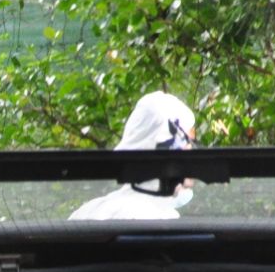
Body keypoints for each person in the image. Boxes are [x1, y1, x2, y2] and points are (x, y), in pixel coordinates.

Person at [69, 91, 199, 221]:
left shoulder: (90, 210)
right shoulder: (153, 217)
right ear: (165, 149)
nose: (191, 149)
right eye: (188, 140)